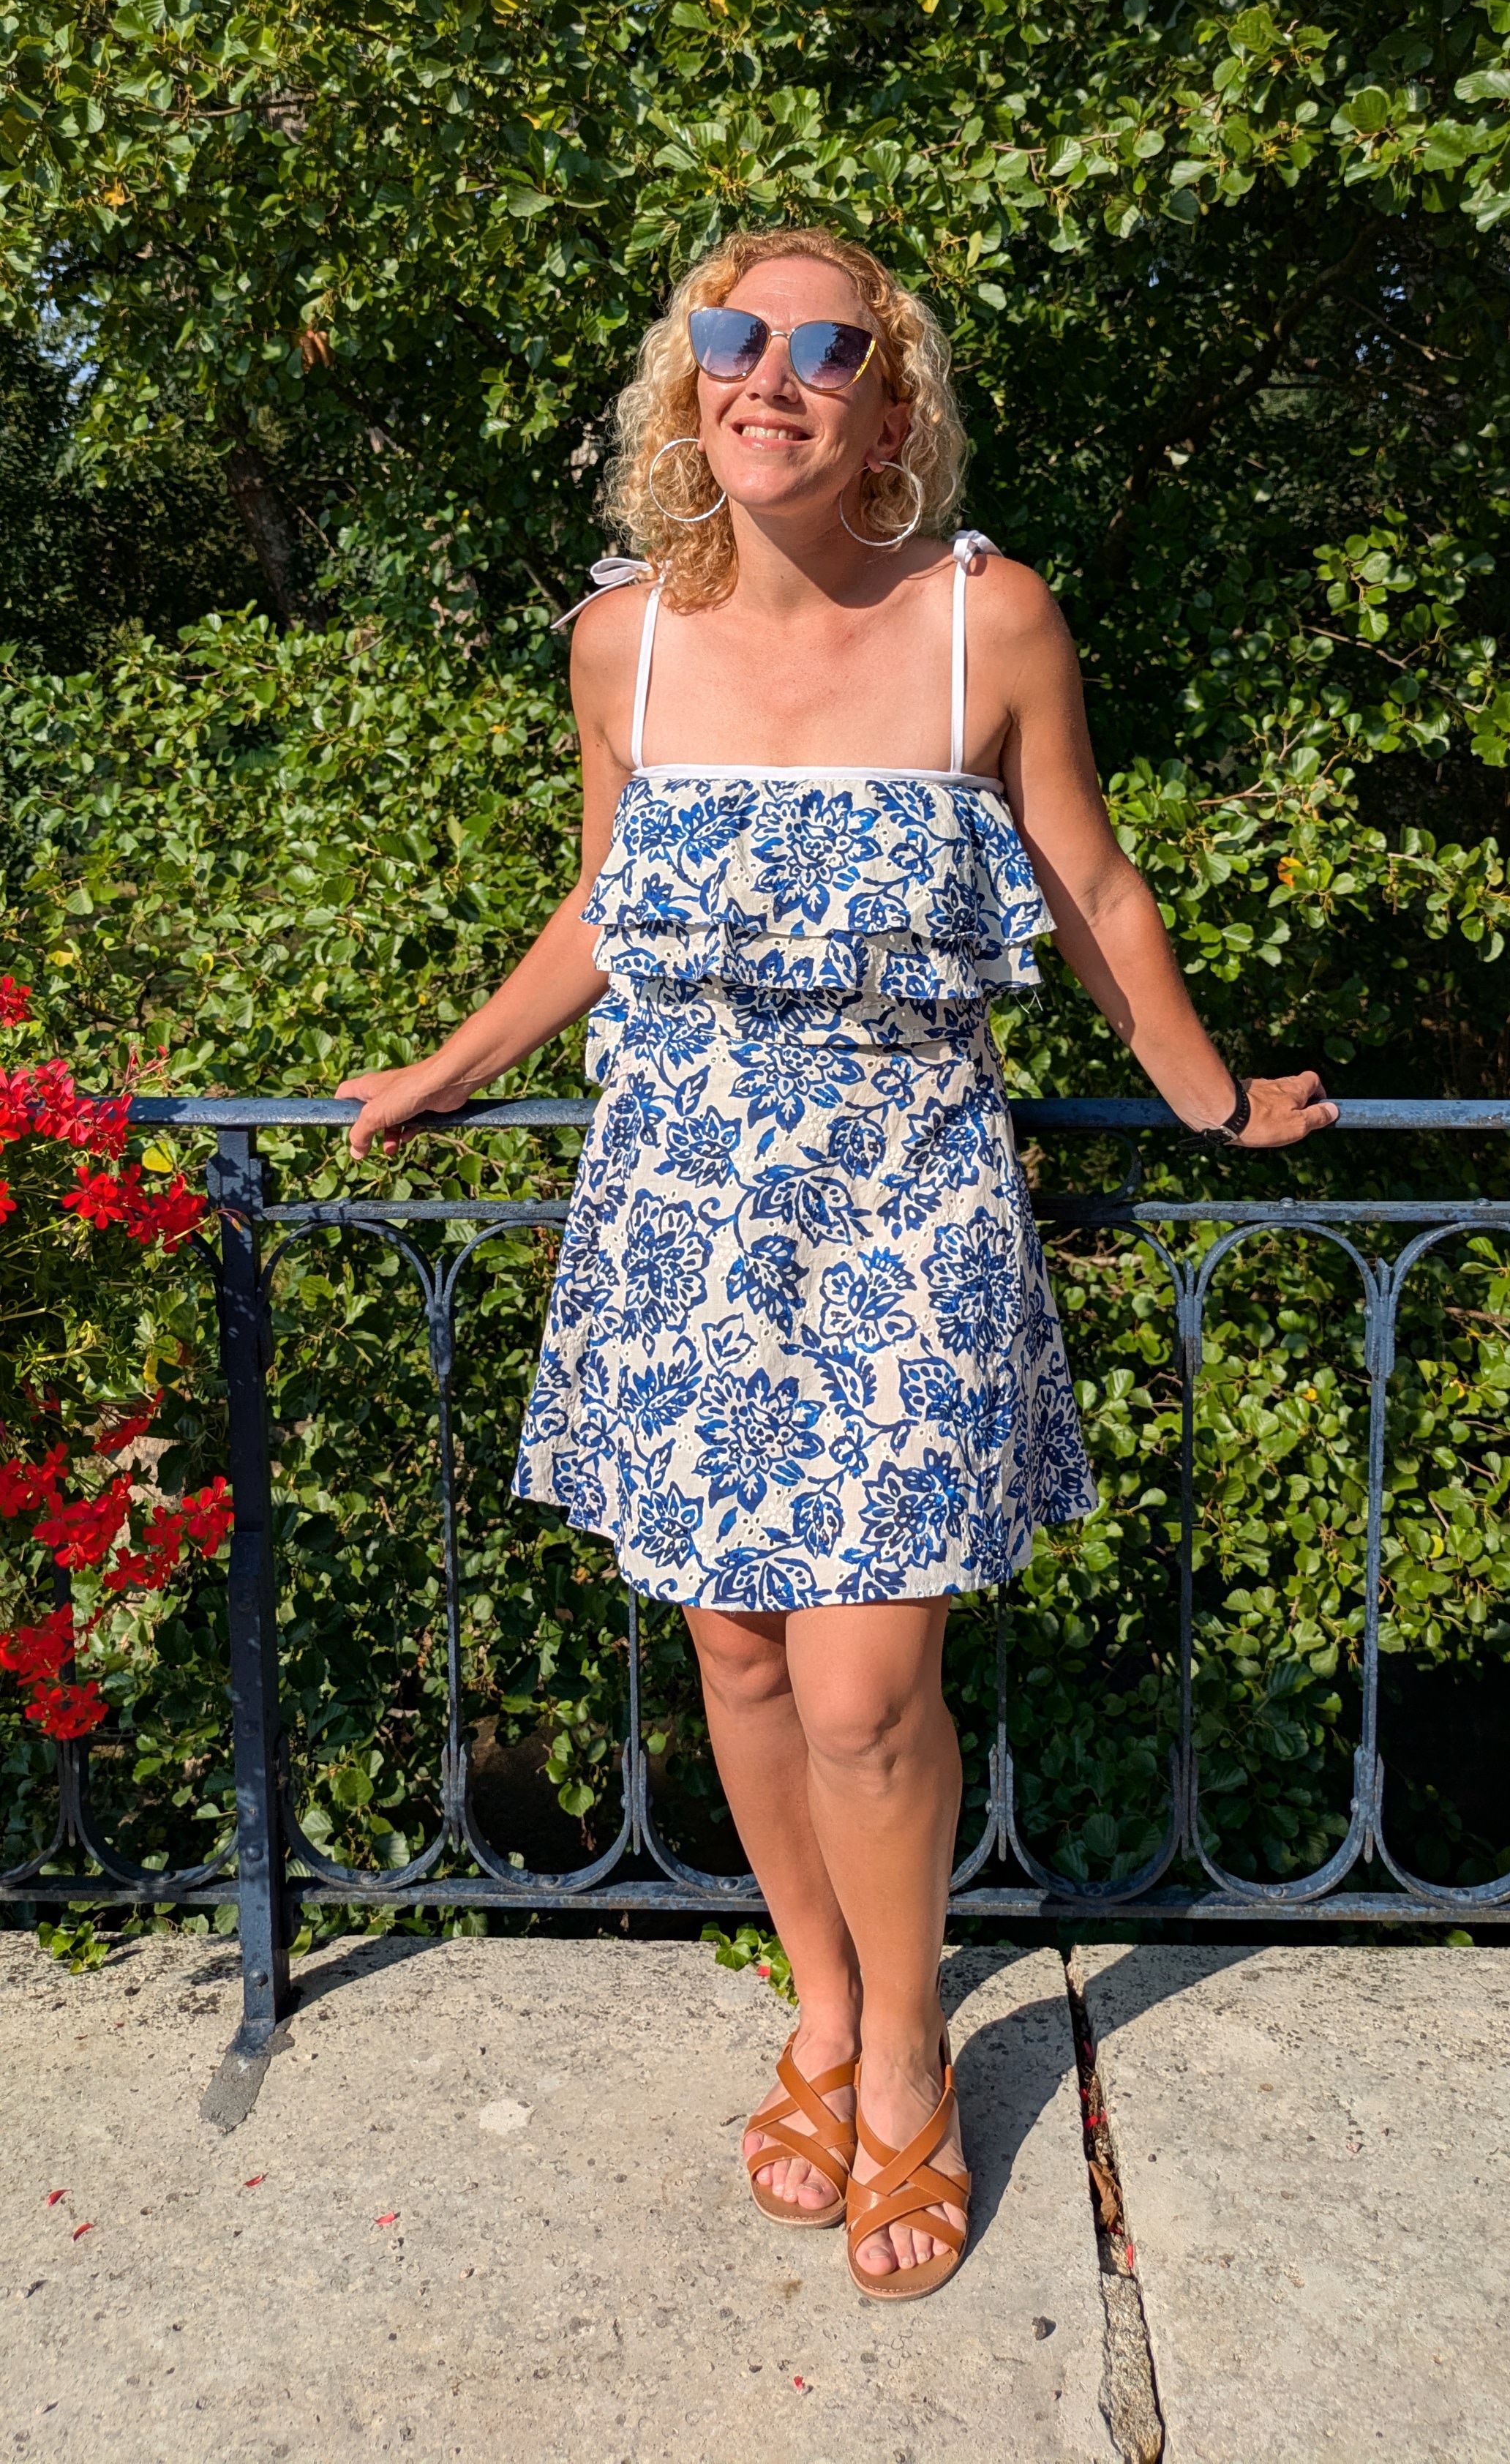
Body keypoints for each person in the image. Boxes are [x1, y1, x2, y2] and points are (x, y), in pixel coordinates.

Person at [338, 223, 1334, 2301]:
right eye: (731, 337)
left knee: (869, 1692)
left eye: (824, 347)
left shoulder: (987, 621)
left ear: (892, 408)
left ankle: (903, 2059)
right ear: (686, 382)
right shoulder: (621, 644)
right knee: (734, 1655)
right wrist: (448, 1064)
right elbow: (606, 905)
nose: (767, 374)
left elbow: (1090, 883)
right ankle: (816, 2004)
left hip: (905, 1210)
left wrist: (1207, 1091)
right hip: (680, 1209)